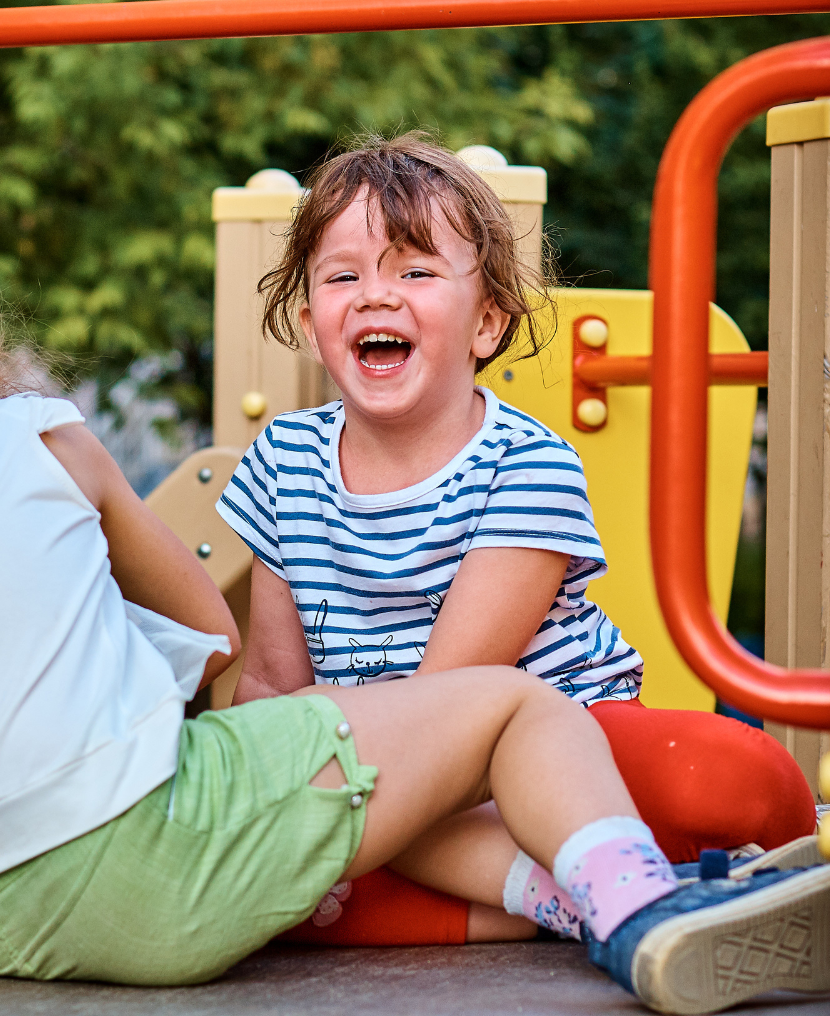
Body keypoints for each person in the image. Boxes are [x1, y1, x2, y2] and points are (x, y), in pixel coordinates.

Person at [0, 263, 824, 1016]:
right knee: (515, 709)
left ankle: (570, 901)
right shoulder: (35, 432)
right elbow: (210, 634)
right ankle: (640, 912)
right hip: (149, 858)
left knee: (382, 802)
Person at [217, 133, 819, 950]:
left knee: (737, 782)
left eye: (415, 271)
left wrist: (328, 804)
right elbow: (270, 688)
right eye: (342, 276)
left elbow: (452, 700)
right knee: (248, 849)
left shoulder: (526, 463)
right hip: (386, 779)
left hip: (557, 750)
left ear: (488, 323)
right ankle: (576, 899)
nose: (374, 295)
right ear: (309, 318)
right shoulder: (284, 462)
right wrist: (269, 790)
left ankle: (511, 880)